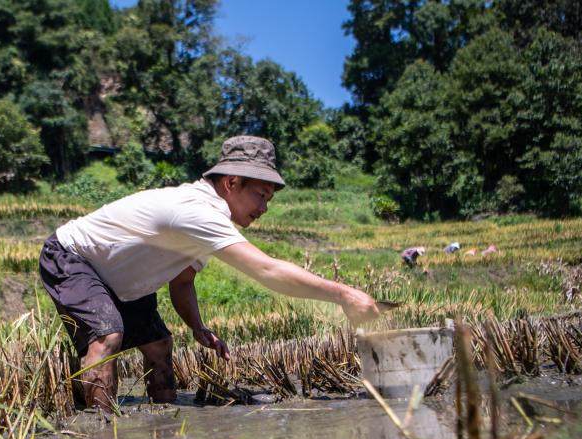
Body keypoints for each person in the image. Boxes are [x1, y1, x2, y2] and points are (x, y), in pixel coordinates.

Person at [39, 135, 380, 410]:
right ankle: (100, 435)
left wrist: (197, 327)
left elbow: (183, 280)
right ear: (232, 182)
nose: (263, 208)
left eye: (269, 200)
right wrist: (344, 294)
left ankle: (164, 419)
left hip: (120, 279)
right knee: (107, 336)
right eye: (260, 196)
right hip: (74, 257)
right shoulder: (198, 212)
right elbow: (266, 269)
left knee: (159, 345)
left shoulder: (208, 221)